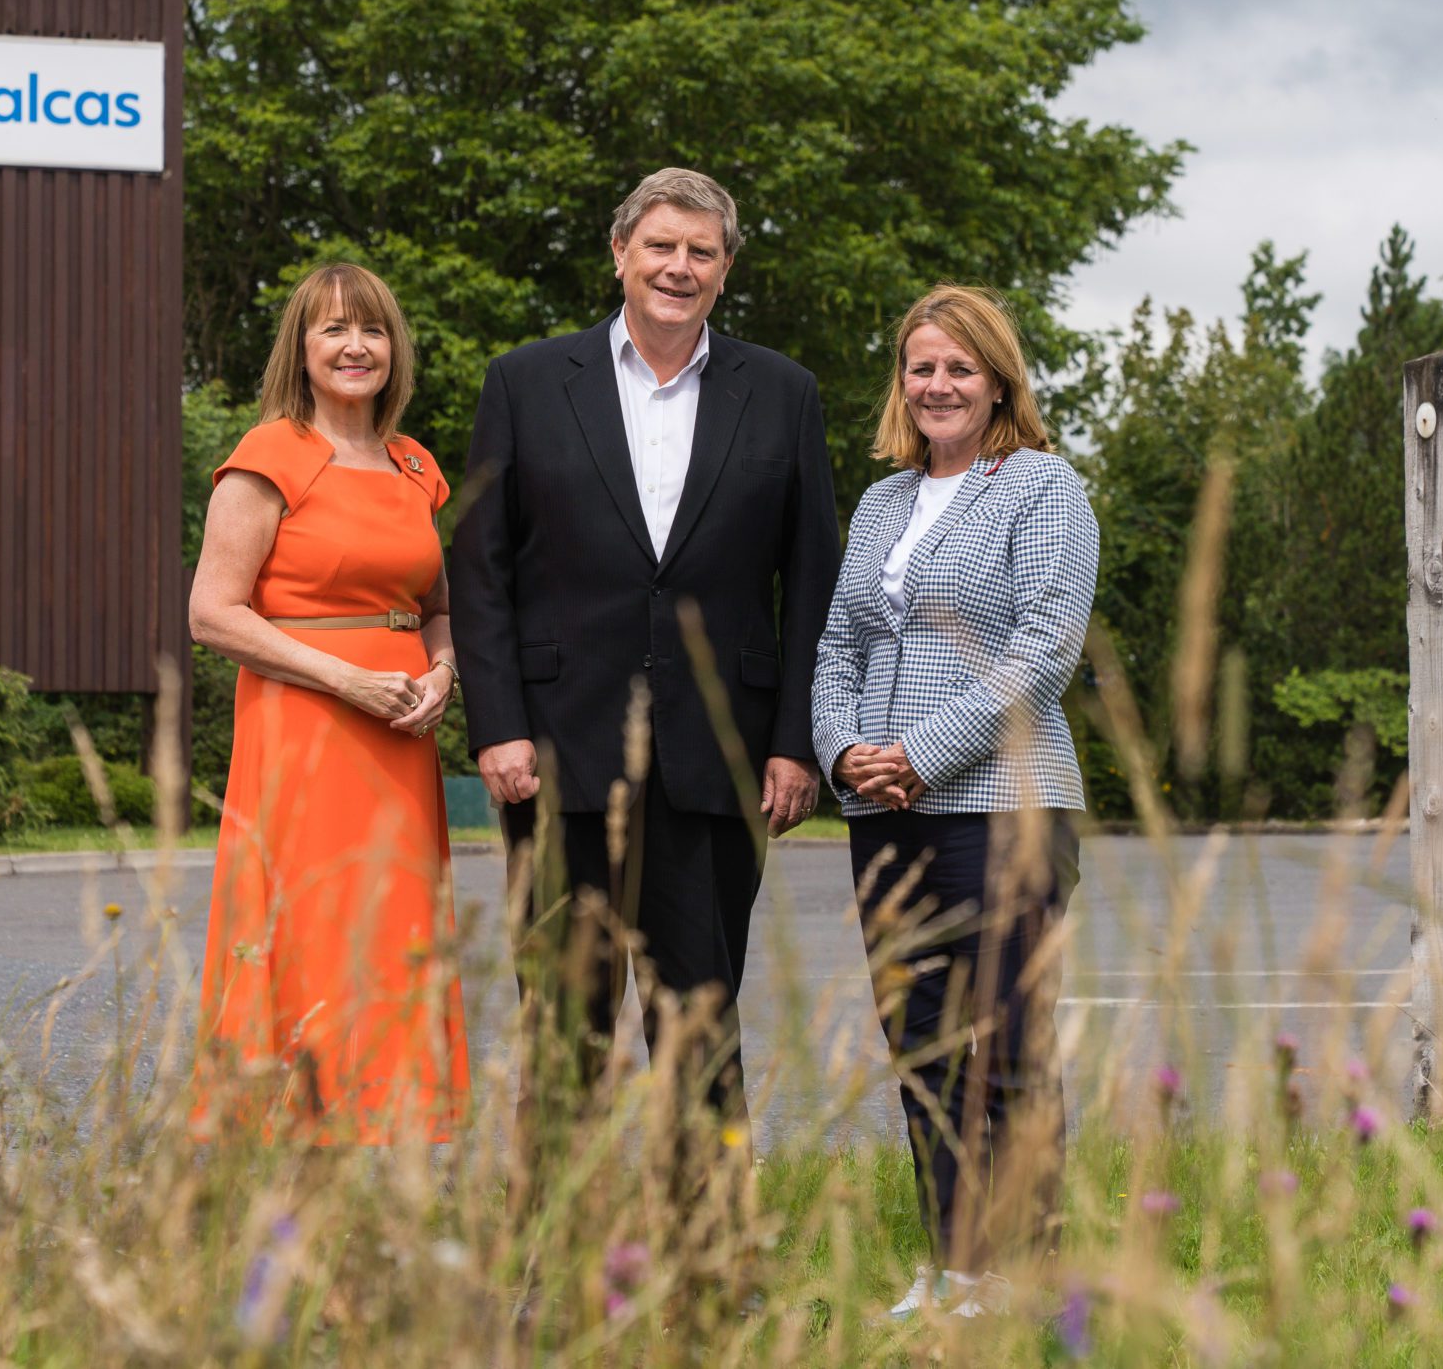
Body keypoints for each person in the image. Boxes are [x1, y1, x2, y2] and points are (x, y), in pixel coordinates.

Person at [449, 166, 838, 1144]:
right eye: (660, 245)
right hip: (555, 753)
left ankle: (703, 1238)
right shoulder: (525, 382)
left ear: (725, 268)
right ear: (620, 252)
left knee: (699, 1027)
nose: (678, 266)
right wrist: (496, 727)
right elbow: (481, 571)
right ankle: (555, 1234)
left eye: (701, 251)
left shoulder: (782, 393)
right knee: (564, 1027)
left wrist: (795, 743)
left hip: (720, 760)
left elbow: (813, 584)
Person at [810, 284, 1099, 1321]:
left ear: (998, 382)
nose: (937, 384)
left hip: (1003, 804)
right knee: (923, 1049)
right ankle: (956, 1264)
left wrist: (922, 753)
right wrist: (846, 752)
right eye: (921, 366)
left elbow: (1044, 649)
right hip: (883, 814)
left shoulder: (1044, 488)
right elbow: (838, 645)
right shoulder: (881, 503)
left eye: (959, 368)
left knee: (1007, 1047)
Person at [188, 263, 467, 1144]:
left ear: (394, 349)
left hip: (401, 733)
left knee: (391, 928)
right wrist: (345, 679)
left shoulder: (414, 464)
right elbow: (212, 612)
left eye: (372, 329)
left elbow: (438, 607)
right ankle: (291, 1135)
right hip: (304, 730)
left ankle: (383, 1130)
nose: (356, 346)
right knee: (309, 922)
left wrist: (444, 671)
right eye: (334, 329)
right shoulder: (269, 455)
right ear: (301, 349)